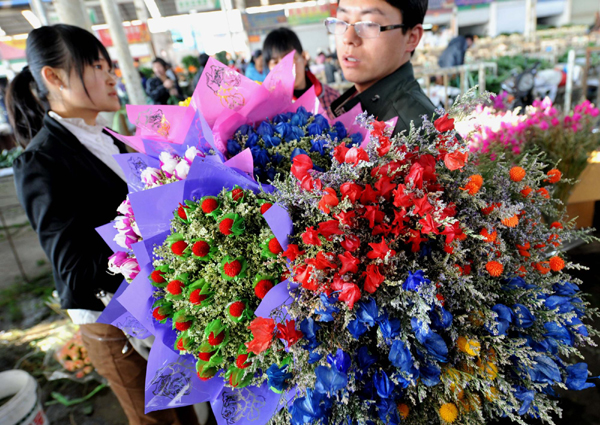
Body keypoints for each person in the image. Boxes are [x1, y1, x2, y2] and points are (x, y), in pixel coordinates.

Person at [6, 24, 198, 425]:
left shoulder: (110, 139)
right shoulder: (41, 161)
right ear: (53, 78)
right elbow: (74, 273)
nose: (112, 76)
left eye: (109, 65)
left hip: (161, 307)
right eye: (96, 66)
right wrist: (150, 236)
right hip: (117, 326)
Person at [328, 0, 436, 136]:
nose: (348, 38)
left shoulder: (419, 133)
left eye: (368, 24)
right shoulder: (357, 104)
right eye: (341, 21)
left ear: (411, 38)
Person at [263, 27, 340, 117]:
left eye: (289, 58)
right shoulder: (267, 109)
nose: (283, 68)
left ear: (303, 57)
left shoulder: (332, 98)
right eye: (275, 62)